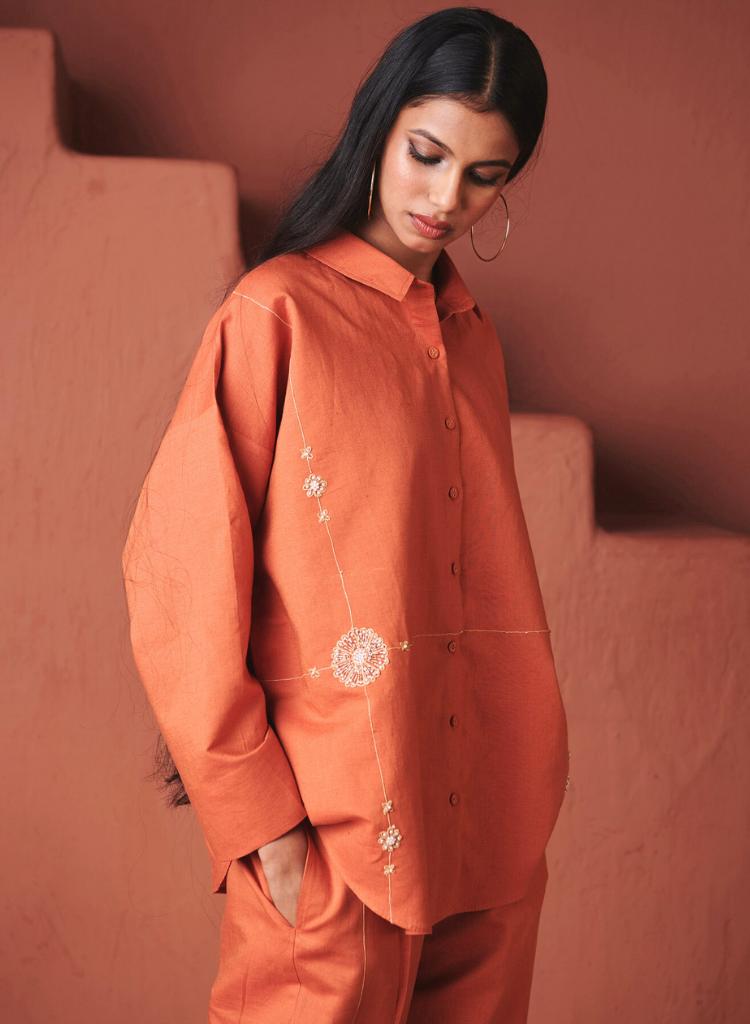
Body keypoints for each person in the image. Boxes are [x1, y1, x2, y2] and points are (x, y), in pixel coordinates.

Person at [122, 7, 569, 1022]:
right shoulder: (276, 314)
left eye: (485, 175)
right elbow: (177, 579)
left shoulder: (472, 338)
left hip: (491, 834)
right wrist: (262, 826)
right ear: (380, 127)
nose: (446, 199)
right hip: (334, 842)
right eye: (427, 154)